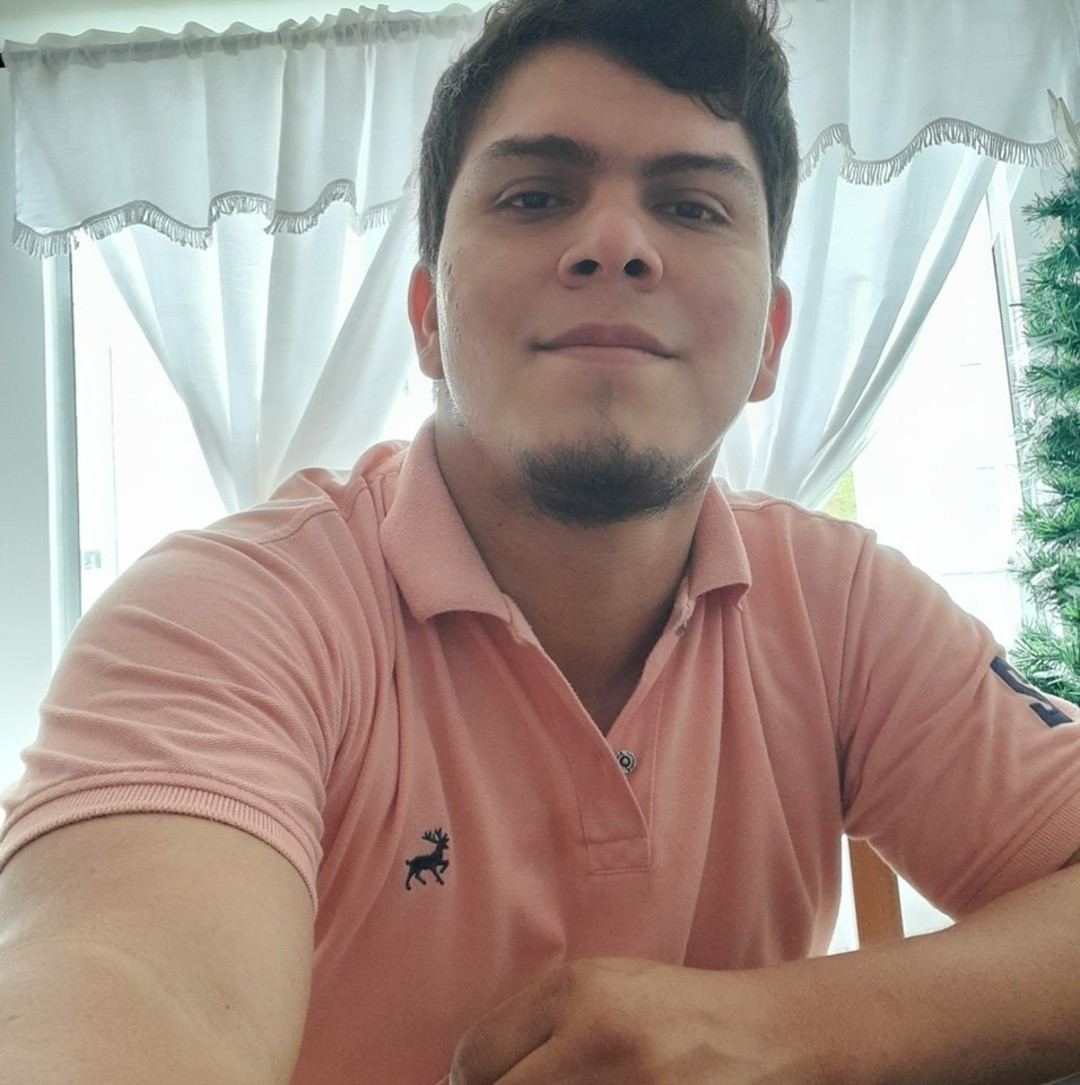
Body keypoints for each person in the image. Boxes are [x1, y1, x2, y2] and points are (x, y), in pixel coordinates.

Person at [2, 0, 1080, 1081]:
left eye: (692, 206)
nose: (615, 244)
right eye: (534, 196)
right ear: (427, 317)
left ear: (769, 342)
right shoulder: (228, 612)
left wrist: (780, 1028)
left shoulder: (841, 603)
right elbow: (127, 983)